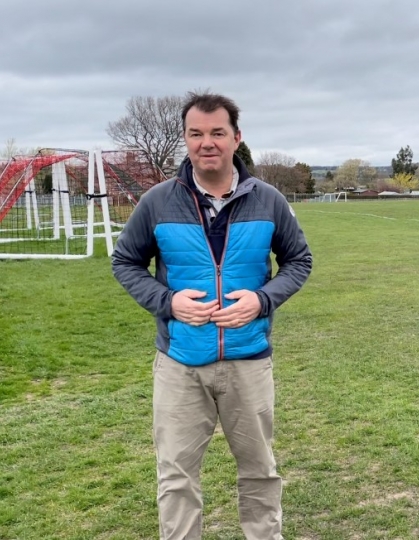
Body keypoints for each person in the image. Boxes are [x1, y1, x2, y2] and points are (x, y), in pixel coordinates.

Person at [112, 92, 312, 540]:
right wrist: (169, 302)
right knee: (177, 476)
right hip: (180, 363)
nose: (207, 143)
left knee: (260, 471)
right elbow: (125, 262)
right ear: (185, 139)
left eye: (217, 133)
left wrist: (262, 300)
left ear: (236, 138)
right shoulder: (158, 202)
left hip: (249, 361)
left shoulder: (269, 200)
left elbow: (299, 260)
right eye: (196, 133)